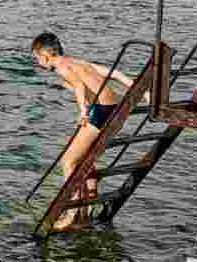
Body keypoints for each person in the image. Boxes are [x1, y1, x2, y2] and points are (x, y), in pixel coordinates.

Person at [31, 32, 140, 231]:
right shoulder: (77, 62)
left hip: (100, 112)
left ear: (44, 55)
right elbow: (113, 73)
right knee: (84, 159)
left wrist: (82, 111)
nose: (38, 62)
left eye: (37, 58)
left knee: (68, 161)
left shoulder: (61, 67)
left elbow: (78, 85)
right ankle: (88, 207)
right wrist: (140, 89)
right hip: (113, 107)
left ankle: (71, 213)